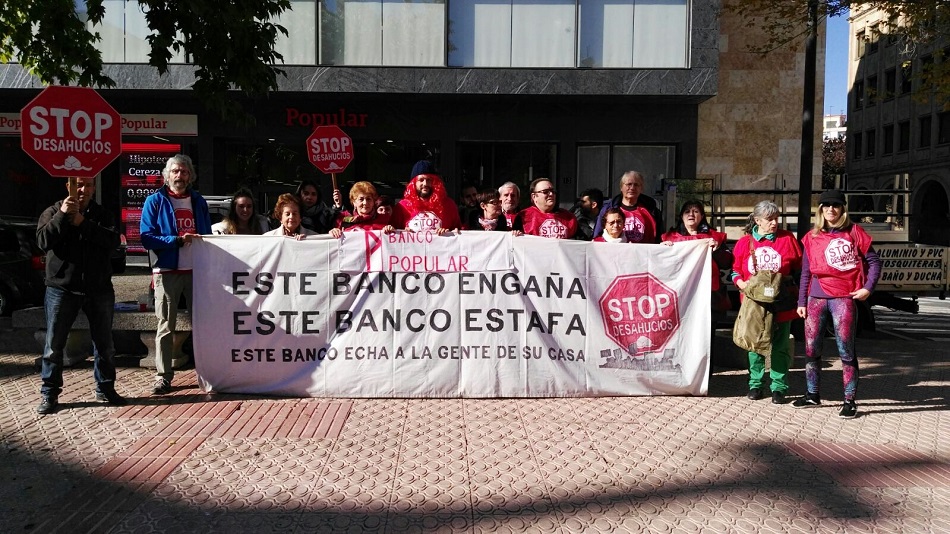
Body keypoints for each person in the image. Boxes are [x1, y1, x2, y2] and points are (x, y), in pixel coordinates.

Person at [35, 176, 126, 414]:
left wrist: (82, 223)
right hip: (61, 288)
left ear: (95, 187)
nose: (83, 189)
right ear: (69, 186)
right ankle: (49, 393)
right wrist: (63, 216)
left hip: (98, 288)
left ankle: (105, 388)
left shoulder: (103, 215)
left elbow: (112, 241)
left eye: (88, 184)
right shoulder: (53, 211)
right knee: (54, 345)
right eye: (78, 184)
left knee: (104, 344)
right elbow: (43, 241)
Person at [793, 190, 882, 419]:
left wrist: (868, 288)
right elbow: (805, 272)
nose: (830, 209)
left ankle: (849, 401)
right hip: (815, 298)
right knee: (811, 349)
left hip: (843, 297)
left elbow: (874, 262)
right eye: (826, 205)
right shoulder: (812, 237)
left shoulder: (854, 232)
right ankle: (812, 394)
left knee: (846, 350)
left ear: (843, 209)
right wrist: (801, 301)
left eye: (835, 205)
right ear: (820, 209)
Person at [140, 154, 211, 395]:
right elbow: (146, 238)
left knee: (202, 324)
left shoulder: (198, 201)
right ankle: (163, 376)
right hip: (167, 271)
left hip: (196, 271)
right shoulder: (155, 201)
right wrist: (177, 240)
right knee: (165, 326)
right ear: (167, 175)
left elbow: (207, 235)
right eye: (175, 171)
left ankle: (208, 372)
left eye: (184, 171)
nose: (179, 175)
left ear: (190, 176)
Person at [730, 200, 802, 405]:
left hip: (782, 301)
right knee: (754, 345)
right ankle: (755, 384)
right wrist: (741, 283)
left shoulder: (788, 239)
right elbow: (735, 271)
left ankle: (779, 387)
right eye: (769, 219)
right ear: (757, 220)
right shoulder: (744, 243)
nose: (774, 223)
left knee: (780, 346)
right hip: (754, 304)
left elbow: (800, 268)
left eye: (776, 218)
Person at [391, 160, 462, 234]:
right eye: (421, 180)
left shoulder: (449, 205)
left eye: (428, 180)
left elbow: (459, 233)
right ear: (414, 183)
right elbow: (391, 234)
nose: (425, 184)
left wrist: (449, 233)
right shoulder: (402, 207)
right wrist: (403, 232)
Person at [593, 171, 661, 243]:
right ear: (621, 187)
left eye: (636, 185)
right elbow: (597, 236)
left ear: (641, 188)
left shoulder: (651, 211)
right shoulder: (608, 210)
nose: (632, 188)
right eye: (629, 184)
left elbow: (660, 237)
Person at [513, 178, 578, 238]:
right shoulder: (523, 217)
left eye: (553, 191)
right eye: (545, 192)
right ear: (534, 196)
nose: (551, 194)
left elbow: (579, 241)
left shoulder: (569, 218)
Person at [329, 181, 396, 237]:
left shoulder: (384, 219)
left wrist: (391, 230)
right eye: (361, 199)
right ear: (354, 202)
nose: (365, 203)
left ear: (373, 201)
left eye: (368, 199)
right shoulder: (343, 218)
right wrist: (334, 232)